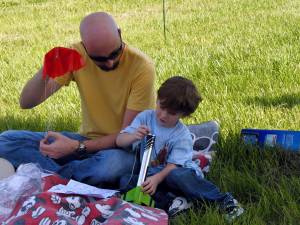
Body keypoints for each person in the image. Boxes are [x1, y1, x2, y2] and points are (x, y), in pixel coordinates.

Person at [0, 12, 156, 188]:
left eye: (115, 53)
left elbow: (126, 135)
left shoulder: (142, 67)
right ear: (84, 47)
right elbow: (26, 102)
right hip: (85, 140)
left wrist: (75, 147)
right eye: (99, 59)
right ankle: (69, 177)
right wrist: (45, 71)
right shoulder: (76, 55)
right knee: (6, 141)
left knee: (110, 166)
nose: (110, 62)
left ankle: (52, 176)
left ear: (119, 34)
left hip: (126, 148)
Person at [116, 76, 244, 221]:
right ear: (157, 98)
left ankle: (224, 201)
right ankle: (175, 203)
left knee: (176, 176)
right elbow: (120, 141)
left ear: (184, 115)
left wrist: (157, 179)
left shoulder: (181, 135)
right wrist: (133, 136)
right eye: (161, 107)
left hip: (175, 172)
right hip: (152, 175)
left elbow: (173, 166)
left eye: (171, 113)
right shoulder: (145, 117)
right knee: (126, 180)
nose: (163, 115)